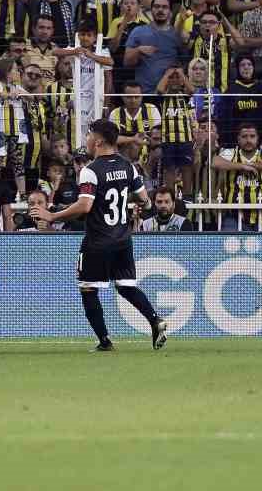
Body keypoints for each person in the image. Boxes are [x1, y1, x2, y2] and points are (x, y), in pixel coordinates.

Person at [31, 119, 170, 353]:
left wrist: (52, 217)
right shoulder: (129, 166)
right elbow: (145, 200)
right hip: (123, 239)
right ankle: (155, 320)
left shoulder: (90, 171)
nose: (86, 139)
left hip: (98, 240)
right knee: (126, 286)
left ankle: (105, 341)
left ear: (98, 141)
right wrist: (127, 202)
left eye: (88, 134)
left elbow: (85, 206)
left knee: (88, 288)